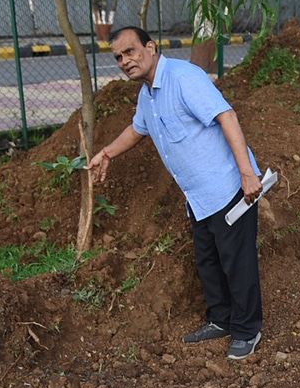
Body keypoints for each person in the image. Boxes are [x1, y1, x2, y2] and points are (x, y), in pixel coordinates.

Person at [89, 26, 265, 360]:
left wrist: (247, 174)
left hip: (228, 188)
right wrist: (108, 153)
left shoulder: (184, 78)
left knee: (237, 264)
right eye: (118, 57)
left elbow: (226, 116)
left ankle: (247, 331)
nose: (125, 61)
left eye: (130, 51)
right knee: (209, 262)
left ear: (151, 47)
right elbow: (136, 130)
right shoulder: (147, 95)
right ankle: (221, 320)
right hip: (198, 199)